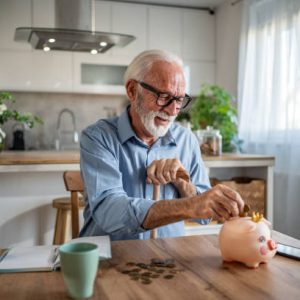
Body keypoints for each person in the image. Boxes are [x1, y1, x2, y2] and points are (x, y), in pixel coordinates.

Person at [79, 49, 244, 241]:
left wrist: (184, 184)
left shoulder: (186, 140)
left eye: (179, 100)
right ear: (132, 90)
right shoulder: (98, 137)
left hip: (167, 260)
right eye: (164, 97)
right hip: (110, 257)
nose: (173, 110)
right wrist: (189, 205)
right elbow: (110, 212)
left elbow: (204, 217)